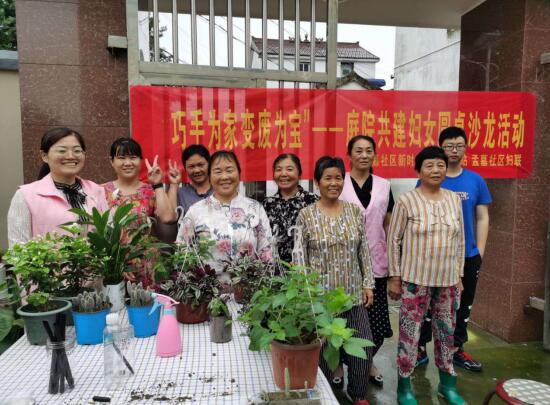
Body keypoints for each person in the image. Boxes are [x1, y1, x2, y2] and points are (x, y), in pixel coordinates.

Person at [388, 146, 465, 405]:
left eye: (440, 165)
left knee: (446, 334)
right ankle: (404, 387)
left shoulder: (454, 199)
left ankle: (447, 385)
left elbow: (460, 240)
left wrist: (459, 275)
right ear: (418, 170)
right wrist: (395, 277)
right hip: (415, 281)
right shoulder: (406, 200)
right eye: (429, 165)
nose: (436, 170)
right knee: (410, 335)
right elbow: (393, 240)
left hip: (447, 281)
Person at [296, 156, 374, 405]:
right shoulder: (306, 215)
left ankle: (358, 394)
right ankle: (327, 396)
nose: (333, 183)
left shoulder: (354, 211)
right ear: (317, 182)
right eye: (327, 178)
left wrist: (368, 283)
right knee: (325, 352)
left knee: (363, 348)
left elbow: (363, 251)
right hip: (321, 300)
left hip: (352, 295)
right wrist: (306, 294)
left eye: (338, 178)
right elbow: (300, 258)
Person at [416, 127, 491, 372]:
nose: (454, 150)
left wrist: (479, 252)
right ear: (441, 148)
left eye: (459, 145)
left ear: (466, 148)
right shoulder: (429, 178)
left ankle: (456, 349)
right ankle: (419, 348)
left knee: (463, 304)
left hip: (467, 256)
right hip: (434, 255)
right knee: (427, 304)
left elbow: (482, 217)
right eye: (449, 146)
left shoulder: (475, 180)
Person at [340, 135, 394, 388]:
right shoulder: (338, 182)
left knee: (376, 323)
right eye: (358, 150)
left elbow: (388, 224)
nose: (364, 155)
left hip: (377, 262)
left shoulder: (384, 185)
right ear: (349, 155)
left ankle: (368, 361)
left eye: (369, 150)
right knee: (343, 319)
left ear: (375, 155)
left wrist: (394, 266)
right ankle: (339, 363)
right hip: (344, 265)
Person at [7, 127, 108, 247]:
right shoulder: (26, 195)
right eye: (62, 151)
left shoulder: (96, 191)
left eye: (77, 151)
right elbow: (18, 247)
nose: (70, 156)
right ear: (44, 156)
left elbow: (109, 236)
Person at [176, 150, 272, 273]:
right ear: (209, 176)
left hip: (250, 284)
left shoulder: (255, 208)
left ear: (239, 173)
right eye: (218, 171)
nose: (225, 177)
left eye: (229, 170)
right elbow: (182, 254)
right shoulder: (195, 211)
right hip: (207, 284)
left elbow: (267, 252)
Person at [103, 137, 176, 226]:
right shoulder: (101, 191)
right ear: (112, 161)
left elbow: (168, 218)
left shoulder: (150, 191)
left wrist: (157, 184)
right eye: (122, 158)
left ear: (140, 160)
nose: (128, 163)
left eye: (133, 158)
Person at [262, 153, 318, 263]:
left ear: (300, 174)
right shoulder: (266, 205)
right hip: (273, 270)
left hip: (305, 269)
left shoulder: (313, 202)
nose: (283, 174)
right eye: (278, 170)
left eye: (289, 169)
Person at [168, 144, 213, 218]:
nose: (197, 170)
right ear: (185, 168)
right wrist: (173, 184)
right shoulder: (180, 193)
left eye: (200, 165)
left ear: (209, 164)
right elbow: (169, 218)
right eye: (191, 166)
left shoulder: (219, 189)